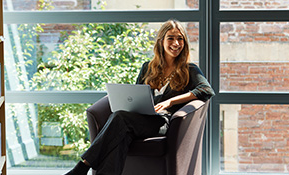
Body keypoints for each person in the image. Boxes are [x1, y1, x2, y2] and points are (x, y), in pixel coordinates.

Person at [65, 19, 215, 175]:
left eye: (180, 38)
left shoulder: (189, 69)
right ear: (161, 41)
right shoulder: (148, 68)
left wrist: (170, 101)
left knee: (119, 118)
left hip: (163, 122)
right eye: (171, 38)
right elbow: (137, 95)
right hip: (142, 119)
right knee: (121, 135)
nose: (176, 43)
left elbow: (206, 90)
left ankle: (82, 167)